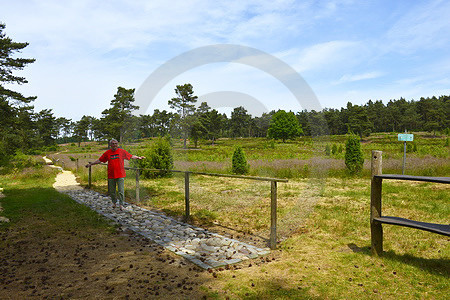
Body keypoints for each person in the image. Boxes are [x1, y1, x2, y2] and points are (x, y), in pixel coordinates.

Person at [86, 139, 145, 210]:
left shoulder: (122, 151)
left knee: (121, 191)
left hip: (120, 174)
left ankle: (121, 204)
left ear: (117, 144)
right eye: (113, 144)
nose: (114, 145)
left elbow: (131, 156)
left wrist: (138, 157)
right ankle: (114, 203)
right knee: (112, 191)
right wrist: (91, 164)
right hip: (111, 175)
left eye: (116, 143)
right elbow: (100, 160)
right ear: (110, 145)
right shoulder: (107, 153)